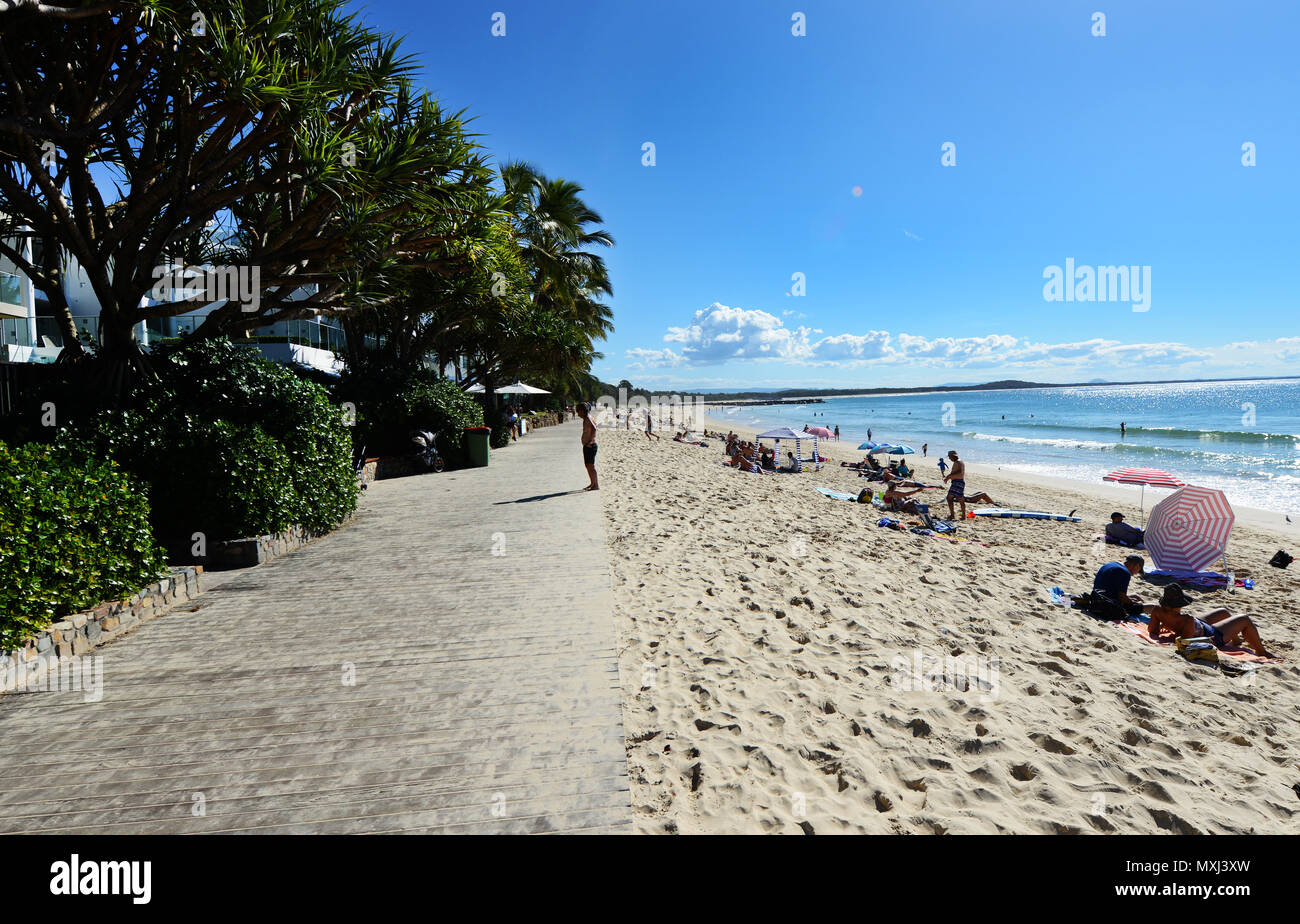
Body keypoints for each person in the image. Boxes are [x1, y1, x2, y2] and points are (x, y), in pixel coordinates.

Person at [1146, 584, 1276, 658]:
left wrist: (1166, 624)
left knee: (1223, 612)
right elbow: (1185, 644)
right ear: (1178, 605)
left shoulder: (1158, 611)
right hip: (1212, 635)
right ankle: (1261, 651)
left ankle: (1236, 640)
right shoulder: (1186, 620)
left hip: (1197, 625)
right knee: (1244, 619)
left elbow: (1152, 631)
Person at [575, 402, 599, 490]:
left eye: (578, 412)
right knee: (588, 465)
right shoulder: (587, 418)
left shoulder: (588, 418)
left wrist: (590, 441)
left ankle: (595, 485)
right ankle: (592, 483)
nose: (577, 414)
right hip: (588, 445)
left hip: (590, 446)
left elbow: (594, 428)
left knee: (591, 466)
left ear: (582, 411)